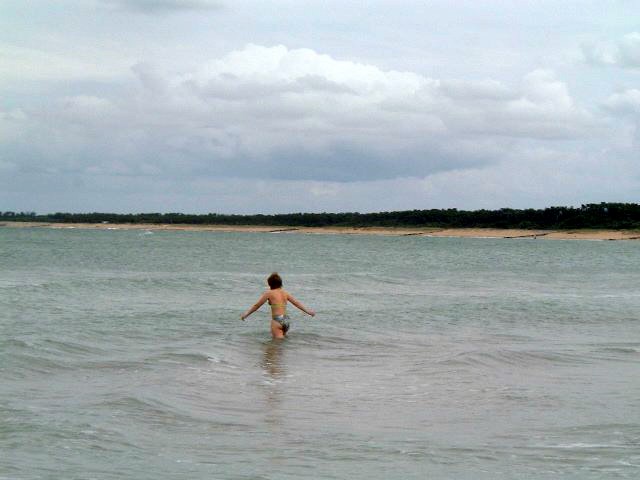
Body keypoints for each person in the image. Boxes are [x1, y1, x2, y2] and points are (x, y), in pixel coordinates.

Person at [241, 272, 315, 338]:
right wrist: (308, 312)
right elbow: (297, 303)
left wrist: (246, 314)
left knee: (276, 346)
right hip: (286, 320)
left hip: (277, 320)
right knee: (281, 347)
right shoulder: (285, 293)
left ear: (270, 284)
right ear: (280, 283)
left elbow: (257, 306)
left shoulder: (269, 293)